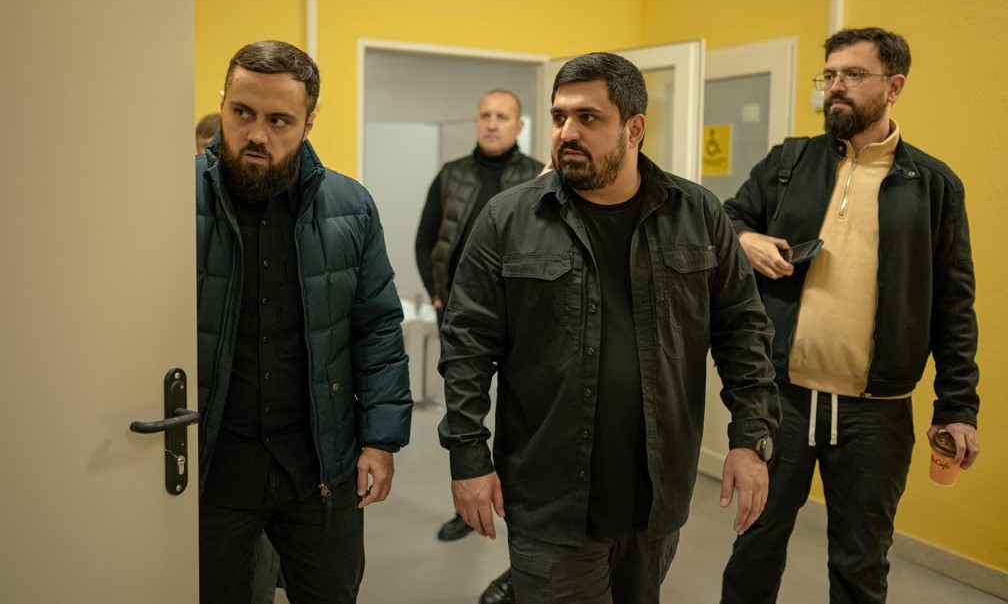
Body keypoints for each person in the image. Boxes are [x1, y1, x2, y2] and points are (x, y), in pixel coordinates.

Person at [438, 52, 781, 603]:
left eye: (588, 118)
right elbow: (466, 349)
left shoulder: (697, 214)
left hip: (656, 501)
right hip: (550, 502)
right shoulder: (509, 219)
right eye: (559, 117)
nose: (567, 133)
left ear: (635, 128)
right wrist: (468, 457)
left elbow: (743, 330)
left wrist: (750, 436)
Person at [720, 27, 981, 604]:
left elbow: (954, 303)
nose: (835, 87)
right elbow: (726, 219)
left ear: (894, 86)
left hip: (876, 415)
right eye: (830, 75)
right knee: (754, 549)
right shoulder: (789, 162)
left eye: (853, 75)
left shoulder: (933, 185)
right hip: (782, 401)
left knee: (860, 566)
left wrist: (957, 407)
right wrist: (744, 238)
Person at [195, 39, 412, 603]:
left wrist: (381, 440)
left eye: (279, 120)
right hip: (215, 466)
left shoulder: (351, 207)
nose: (257, 134)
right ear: (223, 104)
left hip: (319, 463)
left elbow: (377, 330)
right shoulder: (173, 201)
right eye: (242, 112)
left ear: (308, 123)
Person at [415, 89, 541, 603]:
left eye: (502, 116)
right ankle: (466, 505)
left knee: (520, 417)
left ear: (518, 125)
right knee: (465, 410)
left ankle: (523, 528)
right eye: (485, 115)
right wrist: (438, 296)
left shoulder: (538, 175)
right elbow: (426, 240)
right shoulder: (451, 175)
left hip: (521, 321)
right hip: (459, 315)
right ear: (477, 122)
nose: (492, 123)